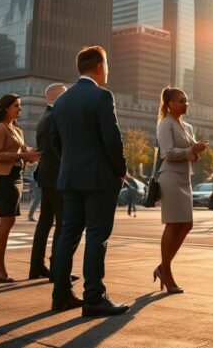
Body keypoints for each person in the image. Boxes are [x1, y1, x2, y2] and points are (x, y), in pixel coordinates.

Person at [51, 46, 129, 317]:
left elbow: (55, 142)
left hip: (70, 178)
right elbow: (112, 139)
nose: (108, 70)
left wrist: (71, 164)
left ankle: (60, 295)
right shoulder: (101, 96)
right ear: (99, 65)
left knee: (67, 236)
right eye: (107, 64)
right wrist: (120, 170)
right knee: (97, 236)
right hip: (99, 179)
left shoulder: (61, 101)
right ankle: (94, 297)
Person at [0, 94, 40, 283]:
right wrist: (23, 156)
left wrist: (32, 154)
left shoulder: (16, 129)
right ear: (6, 108)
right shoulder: (0, 127)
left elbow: (21, 151)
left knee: (9, 223)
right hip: (5, 178)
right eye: (16, 105)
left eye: (20, 105)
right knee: (5, 222)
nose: (20, 109)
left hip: (17, 177)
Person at [155, 87, 206, 294]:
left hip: (185, 178)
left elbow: (192, 155)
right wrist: (190, 150)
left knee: (187, 224)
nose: (186, 104)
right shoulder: (164, 124)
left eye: (186, 100)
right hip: (170, 177)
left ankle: (162, 267)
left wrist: (196, 151)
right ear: (170, 104)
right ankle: (166, 271)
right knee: (173, 224)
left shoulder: (187, 126)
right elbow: (167, 153)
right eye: (181, 101)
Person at [29, 83, 67, 280]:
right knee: (63, 222)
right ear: (58, 98)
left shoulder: (44, 116)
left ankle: (36, 267)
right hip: (57, 176)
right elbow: (58, 146)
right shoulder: (56, 117)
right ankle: (58, 269)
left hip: (46, 175)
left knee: (45, 221)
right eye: (65, 96)